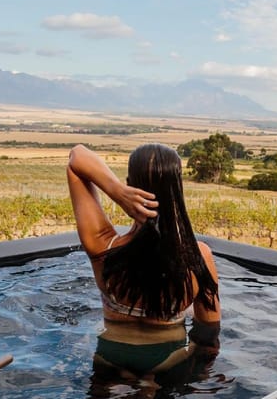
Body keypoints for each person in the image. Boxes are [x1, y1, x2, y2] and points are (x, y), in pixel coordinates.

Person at [67, 143, 221, 383]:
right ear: (178, 188)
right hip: (170, 362)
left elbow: (76, 157)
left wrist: (116, 191)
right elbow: (209, 331)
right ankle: (149, 390)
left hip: (110, 358)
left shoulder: (103, 247)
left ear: (129, 184)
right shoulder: (198, 256)